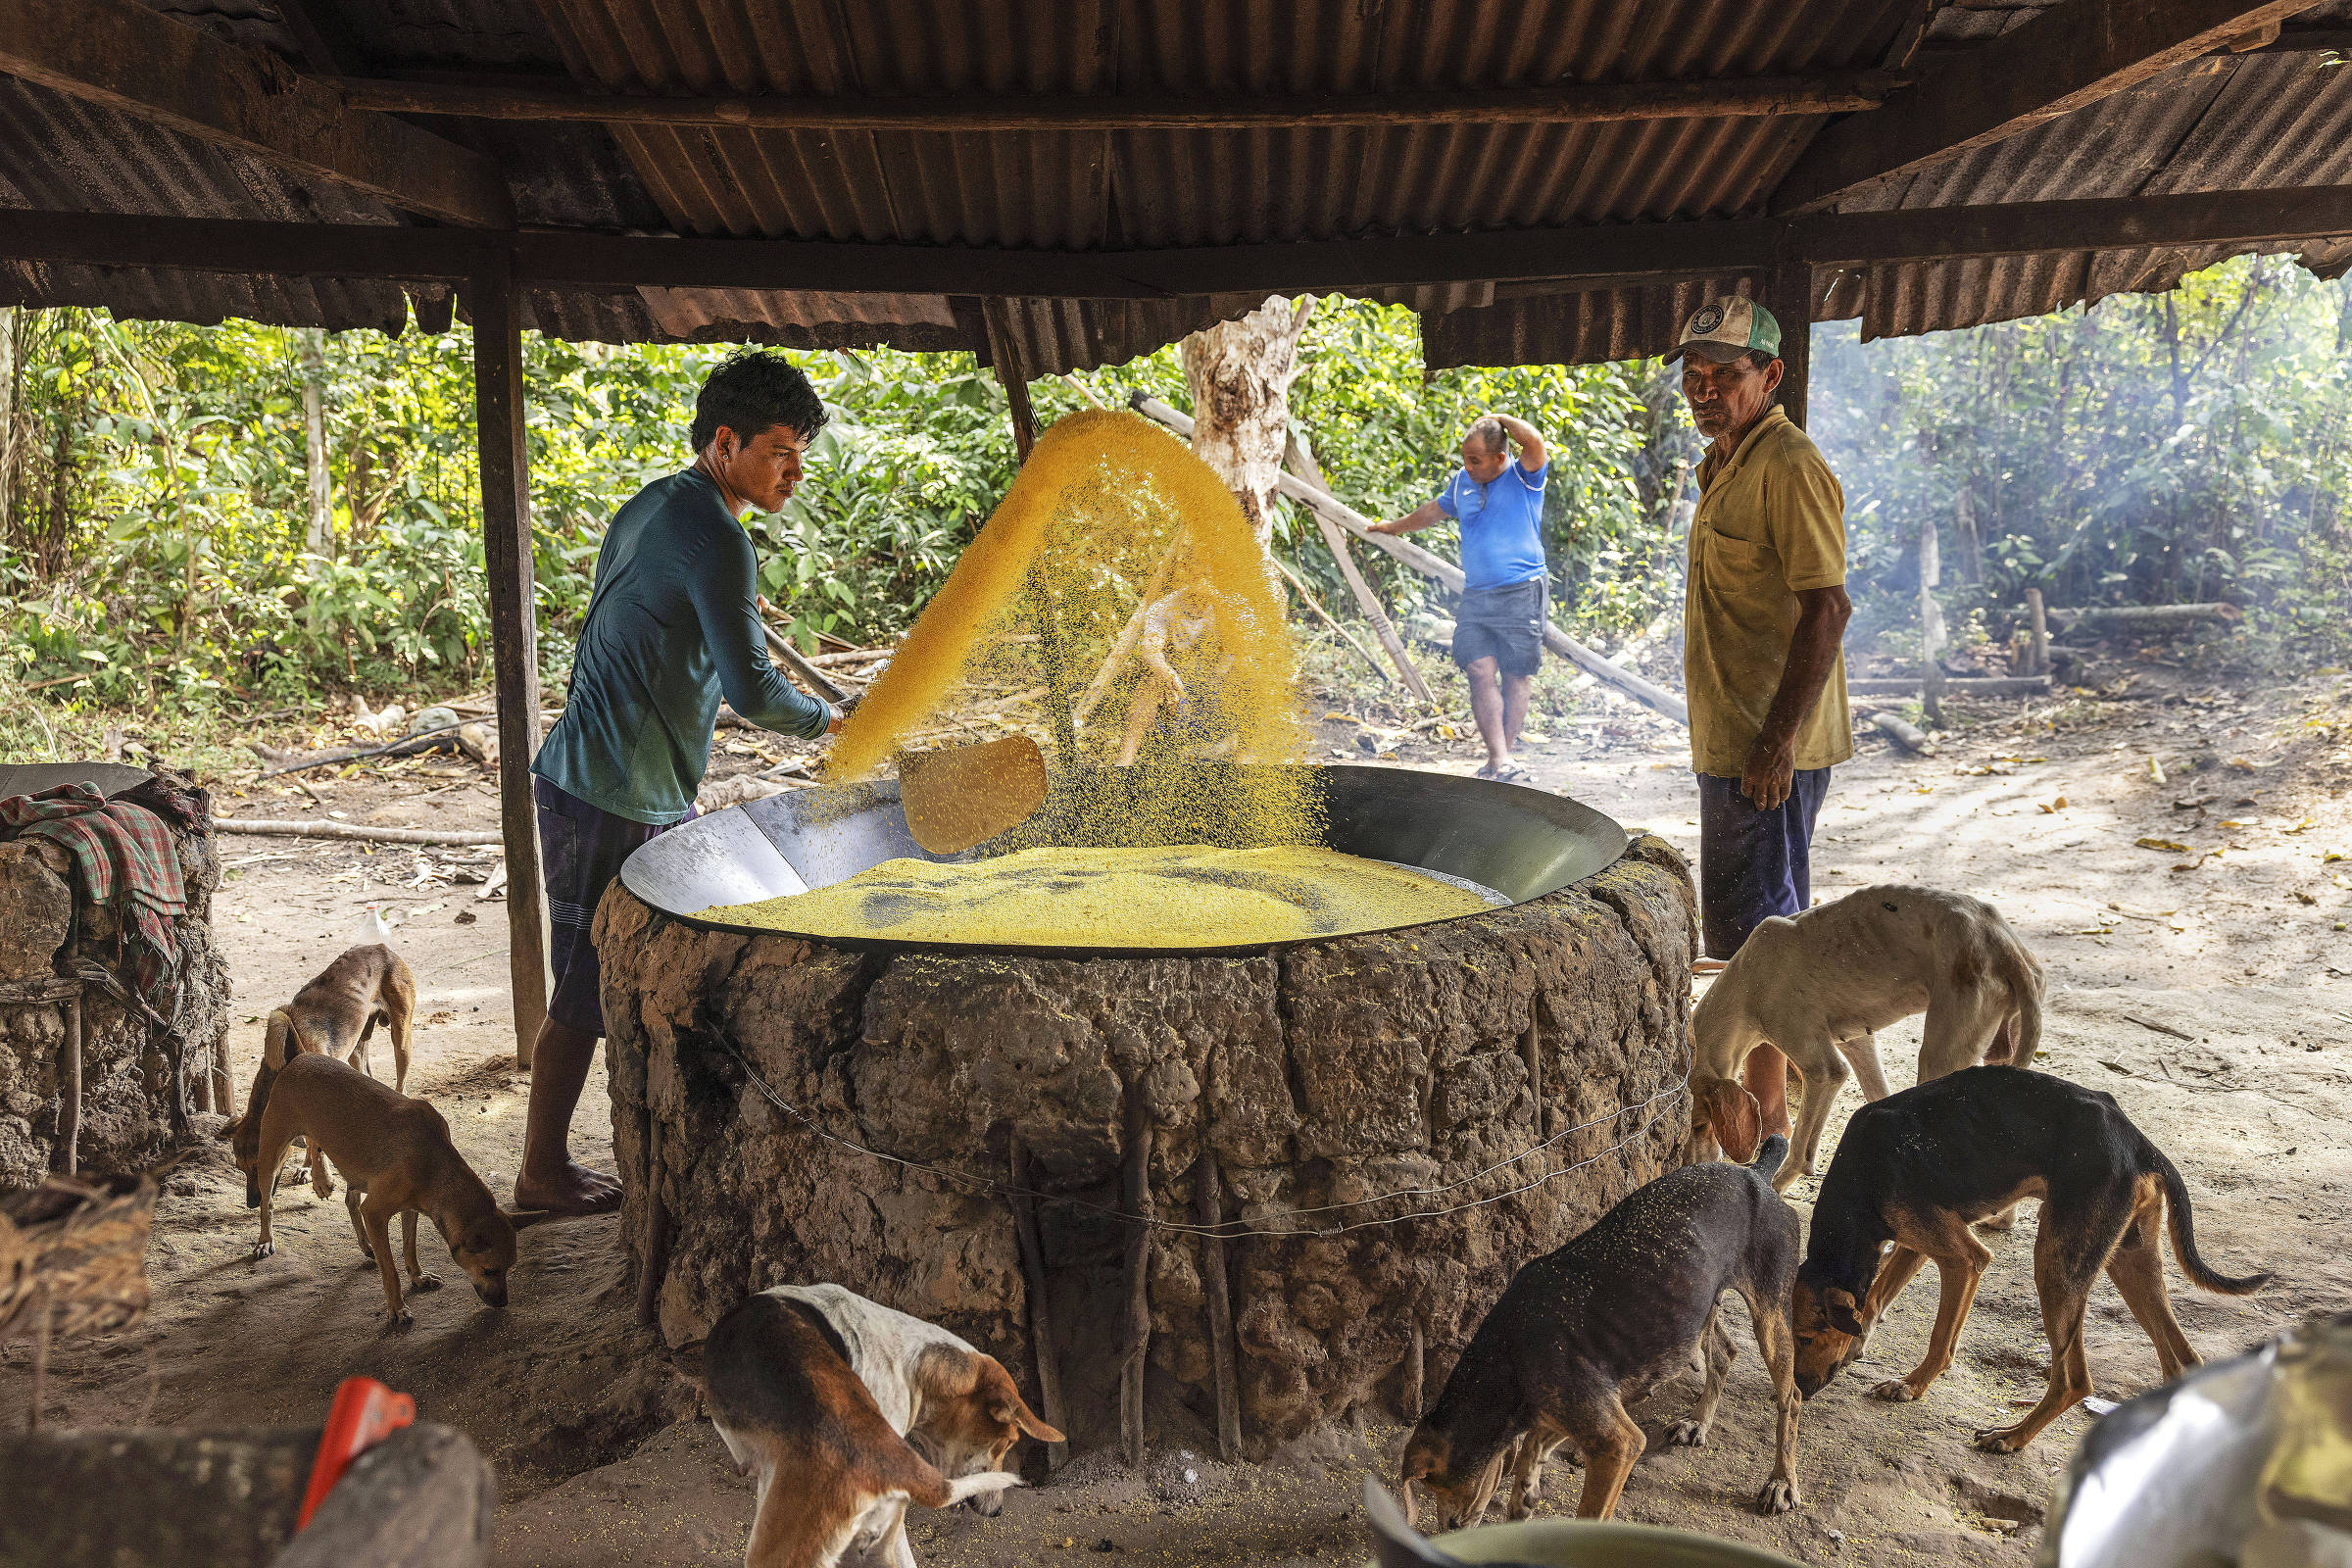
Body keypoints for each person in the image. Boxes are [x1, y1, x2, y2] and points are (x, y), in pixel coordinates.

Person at [518, 350, 850, 1214]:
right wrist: (836, 723)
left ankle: (623, 1150)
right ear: (727, 441)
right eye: (780, 450)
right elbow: (753, 695)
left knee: (614, 976)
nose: (795, 470)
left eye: (801, 451)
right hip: (613, 790)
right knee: (589, 991)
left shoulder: (659, 505)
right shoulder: (718, 537)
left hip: (595, 775)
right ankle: (541, 1171)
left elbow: (651, 610)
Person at [1670, 295, 1853, 1147]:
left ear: (1771, 376)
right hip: (1735, 744)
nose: (1706, 391)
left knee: (1762, 944)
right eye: (1694, 376)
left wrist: (1776, 744)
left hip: (1765, 753)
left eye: (1727, 376)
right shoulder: (1723, 463)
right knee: (1747, 936)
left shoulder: (1789, 464)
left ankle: (1768, 1129)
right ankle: (1763, 1120)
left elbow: (1827, 608)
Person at [1370, 416, 1550, 781]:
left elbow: (1533, 442)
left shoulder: (1523, 476)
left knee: (1516, 675)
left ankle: (1503, 760)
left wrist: (1500, 419)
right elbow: (1432, 512)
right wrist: (1392, 527)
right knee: (1478, 669)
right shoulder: (1462, 483)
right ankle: (1500, 759)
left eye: (1476, 460)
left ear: (1500, 458)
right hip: (1478, 595)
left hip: (1522, 590)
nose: (1467, 467)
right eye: (1465, 459)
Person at [1115, 581, 1237, 766]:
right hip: (1176, 695)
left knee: (1254, 683)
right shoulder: (1165, 607)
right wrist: (1170, 677)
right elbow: (1149, 649)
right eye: (1195, 599)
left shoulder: (1227, 609)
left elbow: (1246, 650)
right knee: (1151, 683)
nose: (1201, 605)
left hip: (1215, 694)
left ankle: (1244, 763)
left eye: (1206, 600)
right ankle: (1124, 762)